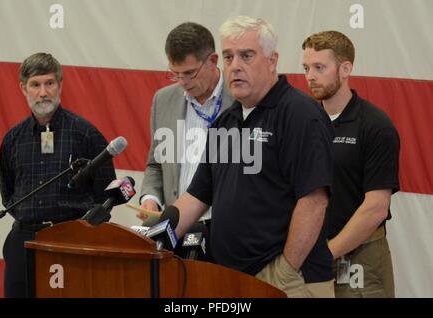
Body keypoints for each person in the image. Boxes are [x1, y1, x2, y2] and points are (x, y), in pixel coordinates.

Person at [168, 16, 335, 298]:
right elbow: (196, 196)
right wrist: (155, 237)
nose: (235, 66)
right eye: (228, 57)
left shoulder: (300, 114)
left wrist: (285, 271)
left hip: (289, 280)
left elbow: (314, 201)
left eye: (247, 56)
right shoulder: (226, 121)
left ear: (272, 61)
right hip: (232, 279)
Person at [0, 52, 116, 297]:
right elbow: (8, 194)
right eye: (35, 85)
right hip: (22, 241)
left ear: (60, 85)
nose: (43, 92)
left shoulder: (85, 134)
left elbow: (106, 194)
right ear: (23, 88)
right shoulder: (12, 140)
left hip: (70, 242)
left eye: (49, 83)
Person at [302, 31, 400, 297]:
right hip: (308, 253)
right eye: (306, 67)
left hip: (362, 256)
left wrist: (327, 254)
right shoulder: (302, 122)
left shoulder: (375, 125)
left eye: (319, 67)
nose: (310, 76)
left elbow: (376, 208)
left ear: (345, 68)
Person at [138, 22, 234, 239]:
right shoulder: (163, 100)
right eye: (175, 74)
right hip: (177, 228)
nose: (182, 82)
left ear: (213, 61)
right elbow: (156, 163)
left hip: (226, 231)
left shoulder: (240, 99)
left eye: (190, 73)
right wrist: (150, 198)